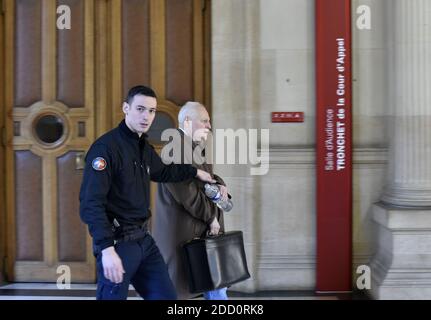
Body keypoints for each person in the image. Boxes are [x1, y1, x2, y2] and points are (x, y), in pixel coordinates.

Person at [79, 86, 215, 300]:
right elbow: (90, 203)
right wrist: (106, 250)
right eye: (140, 109)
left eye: (151, 111)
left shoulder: (143, 147)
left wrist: (195, 172)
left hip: (144, 241)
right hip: (118, 244)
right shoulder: (105, 148)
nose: (146, 116)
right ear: (126, 108)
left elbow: (163, 172)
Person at [153, 101, 229, 300]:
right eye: (204, 121)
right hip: (185, 234)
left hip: (199, 232)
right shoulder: (174, 149)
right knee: (182, 293)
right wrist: (212, 217)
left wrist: (220, 183)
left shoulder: (192, 146)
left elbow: (205, 178)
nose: (209, 126)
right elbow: (188, 194)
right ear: (187, 121)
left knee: (215, 287)